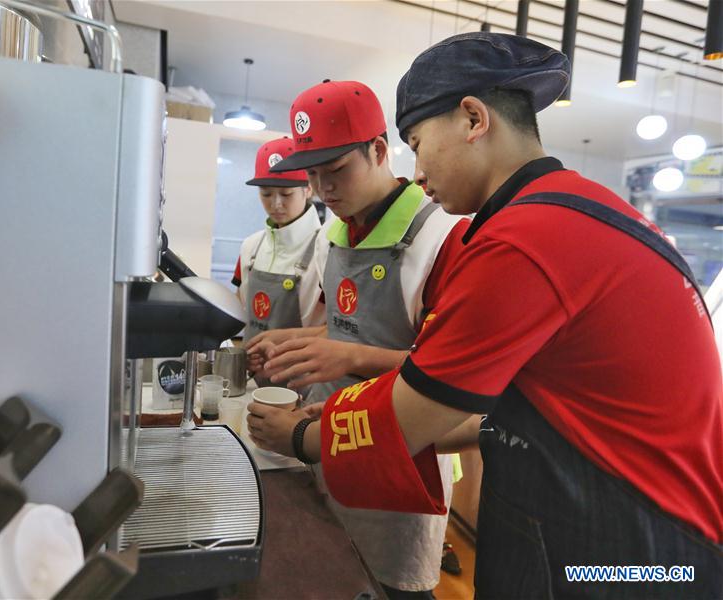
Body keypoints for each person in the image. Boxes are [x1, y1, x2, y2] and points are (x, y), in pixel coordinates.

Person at [247, 33, 723, 599]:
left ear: (472, 118)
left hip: (626, 553)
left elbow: (413, 413)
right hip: (646, 532)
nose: (418, 171)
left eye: (419, 143)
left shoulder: (523, 240)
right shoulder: (579, 210)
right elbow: (506, 407)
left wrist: (301, 434)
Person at [251, 80, 470, 599]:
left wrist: (346, 354)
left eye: (337, 170)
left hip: (405, 451)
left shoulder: (444, 237)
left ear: (379, 150)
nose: (324, 189)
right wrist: (293, 342)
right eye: (314, 174)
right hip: (332, 431)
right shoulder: (336, 232)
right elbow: (342, 325)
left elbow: (454, 377)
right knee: (333, 571)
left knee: (394, 584)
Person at [234, 136, 324, 383]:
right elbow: (240, 307)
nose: (276, 204)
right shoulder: (250, 247)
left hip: (306, 384)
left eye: (286, 193)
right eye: (266, 194)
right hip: (253, 381)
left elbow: (339, 331)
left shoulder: (327, 247)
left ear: (309, 189)